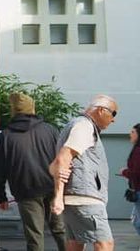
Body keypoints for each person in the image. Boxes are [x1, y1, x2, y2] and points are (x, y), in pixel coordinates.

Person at [0, 92, 65, 251]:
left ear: (14, 110)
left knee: (34, 235)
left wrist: (0, 196)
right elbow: (62, 158)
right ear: (32, 108)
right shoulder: (50, 130)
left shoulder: (5, 136)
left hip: (26, 189)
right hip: (53, 187)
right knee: (61, 230)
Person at [50, 94, 118, 251]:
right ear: (101, 110)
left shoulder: (76, 125)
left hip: (77, 198)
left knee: (75, 243)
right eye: (113, 114)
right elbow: (63, 158)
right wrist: (58, 196)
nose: (113, 119)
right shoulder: (84, 126)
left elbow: (54, 165)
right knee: (105, 243)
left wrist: (60, 194)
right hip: (85, 198)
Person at [120, 123, 140, 236]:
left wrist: (124, 172)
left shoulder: (138, 150)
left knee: (137, 222)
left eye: (133, 132)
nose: (130, 134)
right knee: (135, 220)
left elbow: (137, 173)